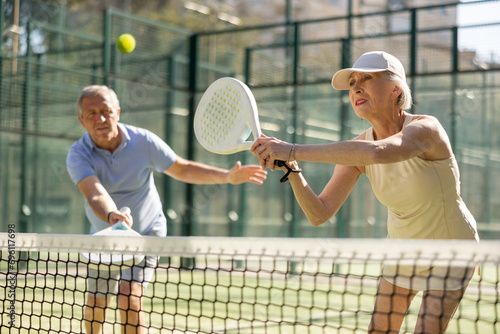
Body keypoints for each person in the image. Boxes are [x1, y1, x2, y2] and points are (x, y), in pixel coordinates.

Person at [251, 51, 479, 333]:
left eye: (367, 78)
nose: (356, 87)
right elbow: (319, 213)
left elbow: (380, 153)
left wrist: (294, 149)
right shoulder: (358, 149)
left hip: (452, 250)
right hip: (402, 251)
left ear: (396, 89)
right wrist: (293, 168)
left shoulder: (426, 129)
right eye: (353, 82)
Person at [66, 85, 267, 334]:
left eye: (106, 111)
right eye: (92, 113)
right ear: (81, 120)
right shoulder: (77, 154)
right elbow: (95, 192)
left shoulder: (144, 141)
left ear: (117, 112)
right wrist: (112, 216)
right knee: (96, 303)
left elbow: (182, 168)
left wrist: (227, 176)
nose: (101, 119)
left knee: (130, 296)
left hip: (147, 233)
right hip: (104, 237)